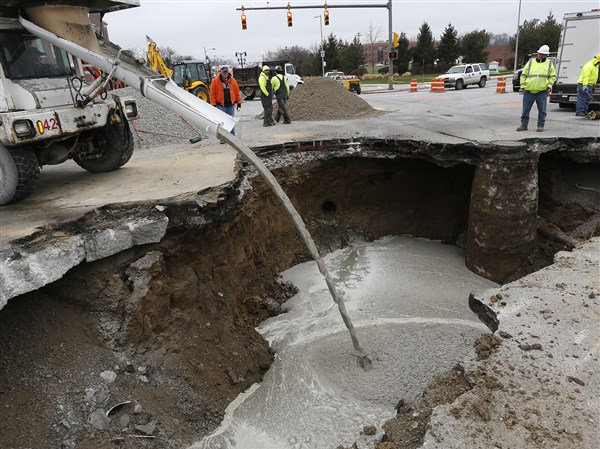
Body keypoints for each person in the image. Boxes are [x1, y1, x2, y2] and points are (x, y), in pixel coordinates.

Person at [516, 45, 556, 133]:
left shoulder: (549, 64)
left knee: (542, 110)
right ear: (538, 53)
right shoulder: (531, 63)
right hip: (529, 90)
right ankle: (524, 125)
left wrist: (549, 86)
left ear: (546, 55)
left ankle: (540, 125)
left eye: (543, 54)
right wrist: (522, 87)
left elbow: (552, 77)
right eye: (540, 54)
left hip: (542, 91)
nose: (541, 55)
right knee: (526, 109)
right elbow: (523, 75)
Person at [209, 65, 242, 136]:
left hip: (231, 105)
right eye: (223, 72)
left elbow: (237, 92)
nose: (225, 73)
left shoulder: (232, 80)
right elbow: (212, 93)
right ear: (220, 72)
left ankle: (232, 137)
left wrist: (239, 103)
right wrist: (213, 104)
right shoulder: (215, 81)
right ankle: (223, 138)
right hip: (220, 105)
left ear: (228, 72)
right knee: (222, 123)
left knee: (231, 122)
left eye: (226, 72)